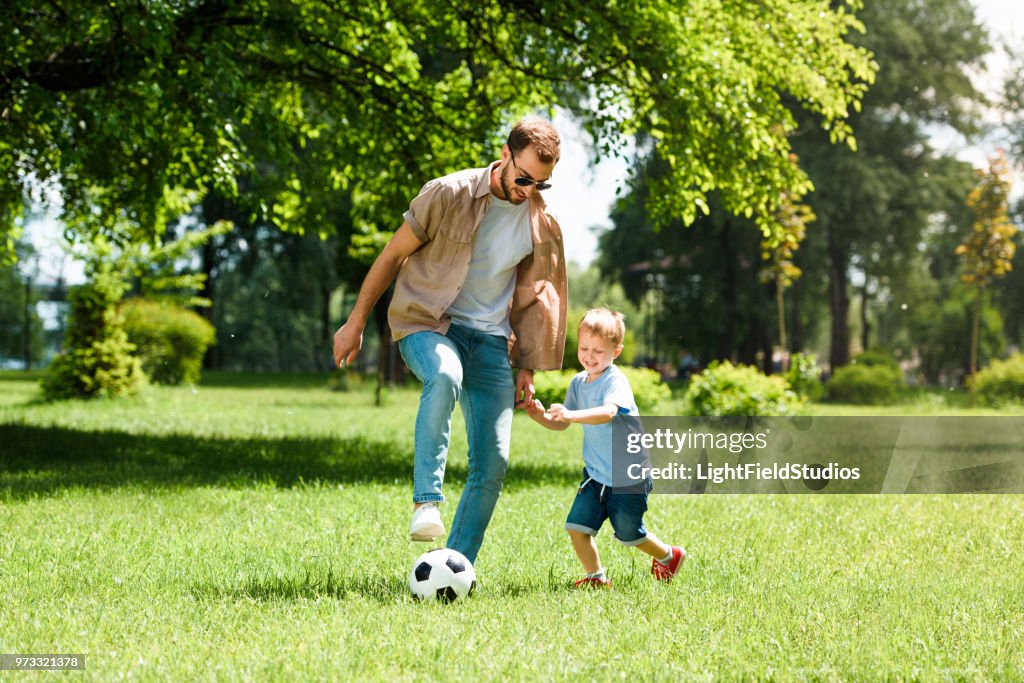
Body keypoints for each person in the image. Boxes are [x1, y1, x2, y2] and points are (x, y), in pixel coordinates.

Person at [332, 117, 568, 564]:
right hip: (429, 322)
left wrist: (528, 367)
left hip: (492, 342)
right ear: (504, 154)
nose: (528, 190)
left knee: (494, 463)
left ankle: (453, 568)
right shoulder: (449, 192)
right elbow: (393, 254)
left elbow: (538, 298)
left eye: (541, 183)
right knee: (444, 374)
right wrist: (356, 321)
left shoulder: (543, 222)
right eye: (523, 178)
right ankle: (426, 502)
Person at [525, 308, 686, 587]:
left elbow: (608, 412)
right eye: (585, 348)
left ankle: (669, 556)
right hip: (596, 475)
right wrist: (541, 417)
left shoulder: (615, 381)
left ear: (616, 351)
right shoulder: (578, 382)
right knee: (576, 528)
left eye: (598, 351)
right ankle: (596, 578)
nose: (589, 356)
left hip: (628, 477)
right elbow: (561, 424)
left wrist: (571, 415)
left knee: (629, 534)